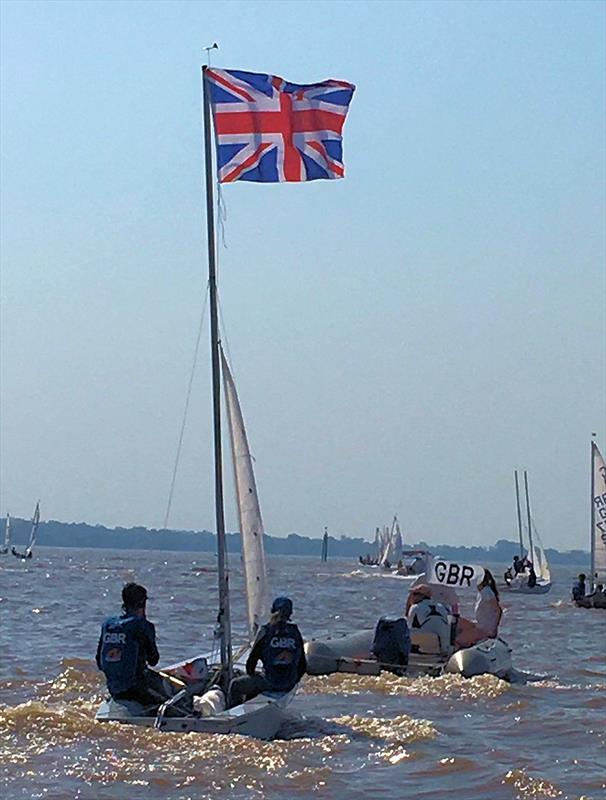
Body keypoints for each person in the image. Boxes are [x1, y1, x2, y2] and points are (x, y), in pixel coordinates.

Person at [96, 582, 170, 710]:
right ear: (142, 604)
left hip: (114, 689)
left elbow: (99, 661)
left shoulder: (108, 624)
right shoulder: (142, 626)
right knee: (171, 703)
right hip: (135, 689)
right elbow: (153, 660)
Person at [228, 596, 306, 707]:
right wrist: (292, 680)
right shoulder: (295, 632)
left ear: (272, 611)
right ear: (290, 614)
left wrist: (252, 674)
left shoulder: (266, 631)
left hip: (269, 682)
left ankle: (234, 712)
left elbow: (252, 660)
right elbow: (302, 665)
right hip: (289, 682)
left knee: (235, 684)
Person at [455, 569, 502, 648]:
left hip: (485, 629)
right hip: (481, 625)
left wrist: (493, 629)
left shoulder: (487, 592)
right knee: (458, 622)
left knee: (458, 640)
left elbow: (498, 610)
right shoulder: (482, 592)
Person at [406, 584, 452, 653]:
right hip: (444, 646)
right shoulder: (441, 607)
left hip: (426, 643)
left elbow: (409, 626)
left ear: (421, 596)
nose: (412, 596)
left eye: (415, 594)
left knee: (404, 630)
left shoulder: (415, 607)